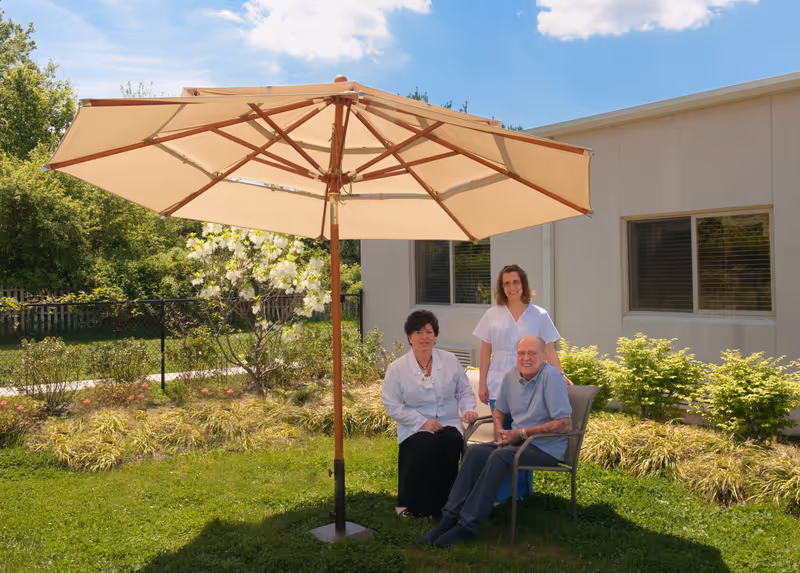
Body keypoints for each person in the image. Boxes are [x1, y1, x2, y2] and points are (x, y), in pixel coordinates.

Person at [419, 334, 572, 548]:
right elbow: (499, 410)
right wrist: (500, 430)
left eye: (531, 353)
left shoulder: (551, 376)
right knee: (475, 453)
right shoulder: (512, 375)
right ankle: (449, 518)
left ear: (544, 356)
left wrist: (521, 433)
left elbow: (565, 424)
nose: (525, 358)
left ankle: (467, 525)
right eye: (521, 353)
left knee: (500, 456)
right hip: (518, 442)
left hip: (545, 447)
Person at [473, 263, 570, 501]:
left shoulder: (539, 315)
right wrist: (483, 383)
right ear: (501, 287)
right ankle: (505, 494)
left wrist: (560, 374)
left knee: (524, 439)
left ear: (523, 284)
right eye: (506, 283)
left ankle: (522, 493)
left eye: (515, 282)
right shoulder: (492, 314)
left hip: (532, 388)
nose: (511, 287)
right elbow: (485, 352)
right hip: (500, 386)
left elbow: (549, 349)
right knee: (505, 441)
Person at [382, 310, 479, 517]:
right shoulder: (397, 368)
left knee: (452, 440)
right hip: (414, 425)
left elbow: (464, 391)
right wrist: (422, 422)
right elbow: (391, 404)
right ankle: (409, 504)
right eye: (418, 332)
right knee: (425, 443)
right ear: (409, 337)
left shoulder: (450, 360)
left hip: (448, 421)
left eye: (429, 331)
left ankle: (445, 504)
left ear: (435, 335)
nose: (424, 337)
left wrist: (469, 409)